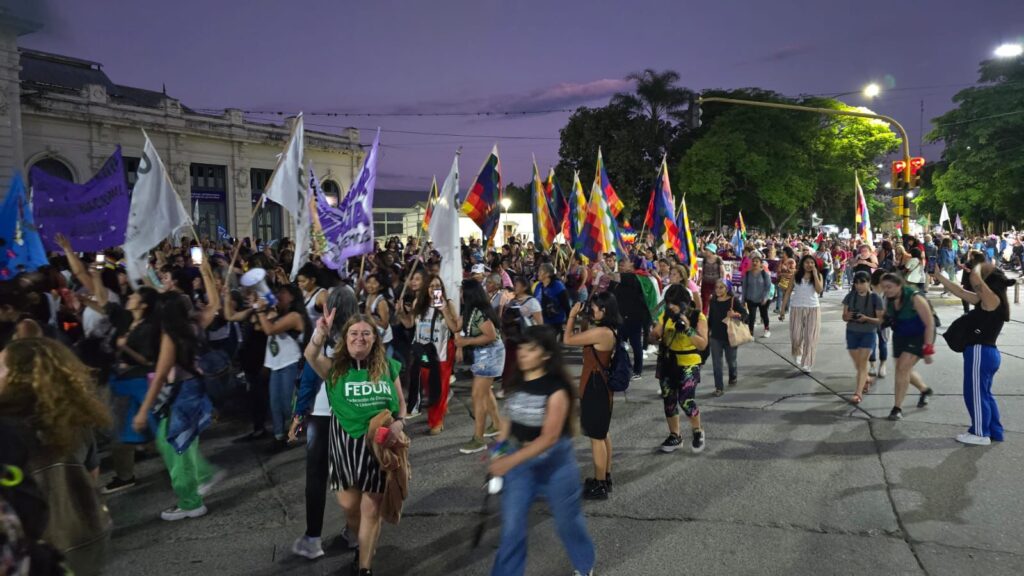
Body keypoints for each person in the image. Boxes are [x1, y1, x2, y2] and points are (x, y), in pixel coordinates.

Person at [303, 312, 407, 576]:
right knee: (350, 509)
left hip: (378, 450)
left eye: (366, 333)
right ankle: (357, 537)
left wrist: (398, 424)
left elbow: (401, 405)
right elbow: (310, 356)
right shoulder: (334, 369)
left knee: (371, 509)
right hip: (344, 450)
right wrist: (320, 333)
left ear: (374, 339)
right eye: (354, 333)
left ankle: (364, 566)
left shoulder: (388, 367)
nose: (359, 338)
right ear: (345, 339)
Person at [0, 337, 113, 575]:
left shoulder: (8, 429)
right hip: (86, 534)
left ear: (19, 377)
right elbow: (92, 473)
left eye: (0, 367)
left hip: (36, 548)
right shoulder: (74, 419)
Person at [489, 325, 596, 576]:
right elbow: (505, 429)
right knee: (512, 528)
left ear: (546, 355)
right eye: (522, 348)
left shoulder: (557, 390)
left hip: (555, 465)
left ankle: (584, 563)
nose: (523, 353)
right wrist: (497, 456)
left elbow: (549, 438)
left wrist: (508, 461)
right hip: (521, 467)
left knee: (567, 521)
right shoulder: (514, 385)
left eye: (531, 349)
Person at [131, 262, 225, 521]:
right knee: (185, 444)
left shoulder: (171, 336)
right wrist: (206, 273)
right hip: (194, 393)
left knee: (174, 447)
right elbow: (214, 305)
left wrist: (141, 412)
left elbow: (161, 375)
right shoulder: (194, 326)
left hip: (181, 396)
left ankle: (190, 502)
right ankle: (198, 485)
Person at [289, 282, 360, 561]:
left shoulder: (324, 335)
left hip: (322, 414)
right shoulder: (363, 334)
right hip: (354, 414)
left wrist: (298, 414)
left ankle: (313, 538)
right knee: (352, 477)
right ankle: (355, 533)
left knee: (316, 477)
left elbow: (309, 375)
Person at [931, 264, 1013, 445]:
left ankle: (979, 433)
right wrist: (940, 276)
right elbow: (959, 291)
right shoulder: (988, 302)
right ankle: (994, 431)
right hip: (985, 353)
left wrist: (979, 266)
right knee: (984, 394)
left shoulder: (992, 300)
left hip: (980, 352)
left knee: (974, 394)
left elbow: (976, 281)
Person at [103, 286, 161, 495]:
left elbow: (147, 359)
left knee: (158, 429)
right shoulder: (125, 319)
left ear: (144, 304)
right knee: (123, 431)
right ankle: (125, 475)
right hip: (122, 381)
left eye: (135, 296)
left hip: (140, 382)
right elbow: (104, 303)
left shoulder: (149, 327)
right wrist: (92, 276)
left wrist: (124, 347)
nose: (129, 297)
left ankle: (188, 469)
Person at [562, 292, 619, 500]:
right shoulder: (606, 330)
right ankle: (605, 476)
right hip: (599, 386)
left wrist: (571, 316)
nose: (591, 310)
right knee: (602, 434)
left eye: (594, 308)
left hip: (596, 388)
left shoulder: (602, 333)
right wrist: (584, 319)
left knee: (596, 438)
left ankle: (600, 483)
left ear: (604, 310)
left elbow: (567, 339)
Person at [650, 285, 709, 453]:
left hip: (689, 362)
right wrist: (654, 334)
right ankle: (675, 436)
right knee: (669, 399)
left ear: (684, 303)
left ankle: (697, 430)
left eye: (674, 303)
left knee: (685, 399)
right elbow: (654, 335)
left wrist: (688, 328)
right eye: (668, 303)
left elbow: (703, 344)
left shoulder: (698, 316)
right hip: (669, 361)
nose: (670, 306)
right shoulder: (666, 315)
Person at [399, 274, 459, 435]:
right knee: (428, 386)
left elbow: (455, 328)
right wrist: (401, 312)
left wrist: (444, 310)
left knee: (438, 387)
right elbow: (410, 324)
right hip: (423, 352)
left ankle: (436, 421)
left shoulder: (448, 304)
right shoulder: (420, 303)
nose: (434, 290)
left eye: (437, 286)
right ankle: (440, 407)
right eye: (431, 286)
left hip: (442, 352)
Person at [254, 283, 311, 448]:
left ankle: (298, 430)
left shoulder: (295, 316)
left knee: (288, 404)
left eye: (283, 293)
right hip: (276, 365)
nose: (279, 296)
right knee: (275, 403)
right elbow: (259, 325)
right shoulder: (277, 313)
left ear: (292, 297)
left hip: (291, 363)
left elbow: (269, 329)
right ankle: (279, 436)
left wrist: (260, 310)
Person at [456, 279, 505, 454]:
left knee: (478, 395)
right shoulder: (470, 311)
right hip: (484, 353)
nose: (460, 294)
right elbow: (455, 325)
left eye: (462, 291)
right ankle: (497, 424)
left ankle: (478, 439)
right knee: (485, 392)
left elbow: (491, 335)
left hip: (490, 353)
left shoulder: (479, 313)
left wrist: (466, 341)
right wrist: (443, 307)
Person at [879, 273, 935, 421]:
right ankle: (925, 390)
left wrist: (928, 348)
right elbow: (886, 316)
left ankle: (897, 408)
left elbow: (930, 323)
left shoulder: (915, 297)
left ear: (899, 285)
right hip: (900, 334)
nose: (886, 290)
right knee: (903, 369)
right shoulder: (889, 298)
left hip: (919, 335)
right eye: (884, 287)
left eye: (889, 287)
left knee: (902, 369)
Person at [842, 272, 885, 404]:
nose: (859, 286)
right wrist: (847, 316)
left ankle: (858, 393)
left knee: (862, 363)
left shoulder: (875, 298)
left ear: (869, 283)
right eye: (856, 283)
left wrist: (866, 318)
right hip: (851, 332)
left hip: (868, 333)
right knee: (858, 363)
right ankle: (866, 378)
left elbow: (880, 320)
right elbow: (844, 316)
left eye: (862, 283)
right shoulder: (850, 296)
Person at [779, 255, 823, 373]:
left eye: (812, 263)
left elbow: (819, 290)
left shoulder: (818, 275)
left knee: (811, 337)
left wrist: (814, 274)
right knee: (796, 335)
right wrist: (782, 309)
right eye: (807, 262)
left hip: (813, 308)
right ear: (802, 263)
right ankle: (797, 352)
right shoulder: (795, 275)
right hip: (796, 308)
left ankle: (807, 362)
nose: (809, 265)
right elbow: (788, 292)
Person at [612, 257, 651, 380]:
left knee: (635, 345)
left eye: (625, 262)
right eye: (621, 263)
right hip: (621, 317)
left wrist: (602, 263)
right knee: (619, 345)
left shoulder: (633, 278)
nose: (622, 265)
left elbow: (613, 276)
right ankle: (619, 368)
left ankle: (637, 371)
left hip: (634, 318)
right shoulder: (621, 278)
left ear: (633, 264)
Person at [705, 280, 747, 396]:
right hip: (715, 337)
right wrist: (707, 331)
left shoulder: (733, 301)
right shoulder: (713, 301)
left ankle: (733, 375)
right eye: (717, 287)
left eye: (721, 287)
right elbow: (711, 318)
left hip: (730, 336)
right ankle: (719, 388)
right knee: (717, 363)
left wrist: (736, 315)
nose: (718, 290)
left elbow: (745, 316)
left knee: (731, 361)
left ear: (727, 289)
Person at [741, 255, 772, 338]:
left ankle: (767, 329)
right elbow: (744, 288)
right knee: (751, 316)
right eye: (753, 261)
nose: (754, 263)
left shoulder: (764, 273)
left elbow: (768, 287)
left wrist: (765, 297)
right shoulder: (747, 274)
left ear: (761, 263)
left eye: (757, 261)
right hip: (751, 298)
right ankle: (751, 333)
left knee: (764, 314)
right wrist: (743, 300)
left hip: (762, 299)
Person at [535, 263, 570, 335]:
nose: (538, 273)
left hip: (554, 322)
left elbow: (566, 305)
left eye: (540, 271)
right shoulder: (538, 285)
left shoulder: (558, 287)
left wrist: (568, 322)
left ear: (547, 274)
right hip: (540, 321)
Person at [699, 245, 726, 315]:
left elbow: (722, 271)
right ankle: (704, 317)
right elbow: (703, 271)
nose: (706, 251)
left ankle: (715, 316)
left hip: (716, 283)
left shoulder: (718, 259)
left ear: (712, 251)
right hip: (705, 282)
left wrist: (723, 282)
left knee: (716, 300)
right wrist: (699, 280)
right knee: (704, 300)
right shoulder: (705, 259)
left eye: (708, 250)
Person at [774, 246, 796, 313]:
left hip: (788, 280)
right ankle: (778, 308)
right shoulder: (780, 261)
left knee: (787, 294)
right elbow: (777, 270)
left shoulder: (791, 261)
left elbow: (792, 272)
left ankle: (786, 308)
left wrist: (785, 269)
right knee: (779, 294)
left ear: (787, 253)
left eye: (783, 252)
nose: (782, 254)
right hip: (780, 280)